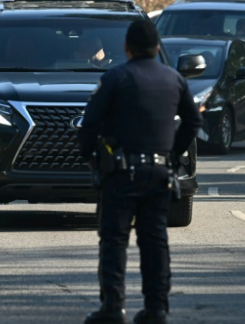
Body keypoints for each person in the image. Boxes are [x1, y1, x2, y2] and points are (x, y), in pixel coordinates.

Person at [78, 20, 202, 324]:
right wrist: (173, 155)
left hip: (121, 174)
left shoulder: (116, 78)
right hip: (160, 173)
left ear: (126, 48)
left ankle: (113, 307)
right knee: (155, 240)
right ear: (157, 47)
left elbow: (89, 124)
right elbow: (193, 122)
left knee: (114, 240)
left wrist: (92, 158)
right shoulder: (175, 79)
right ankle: (157, 309)